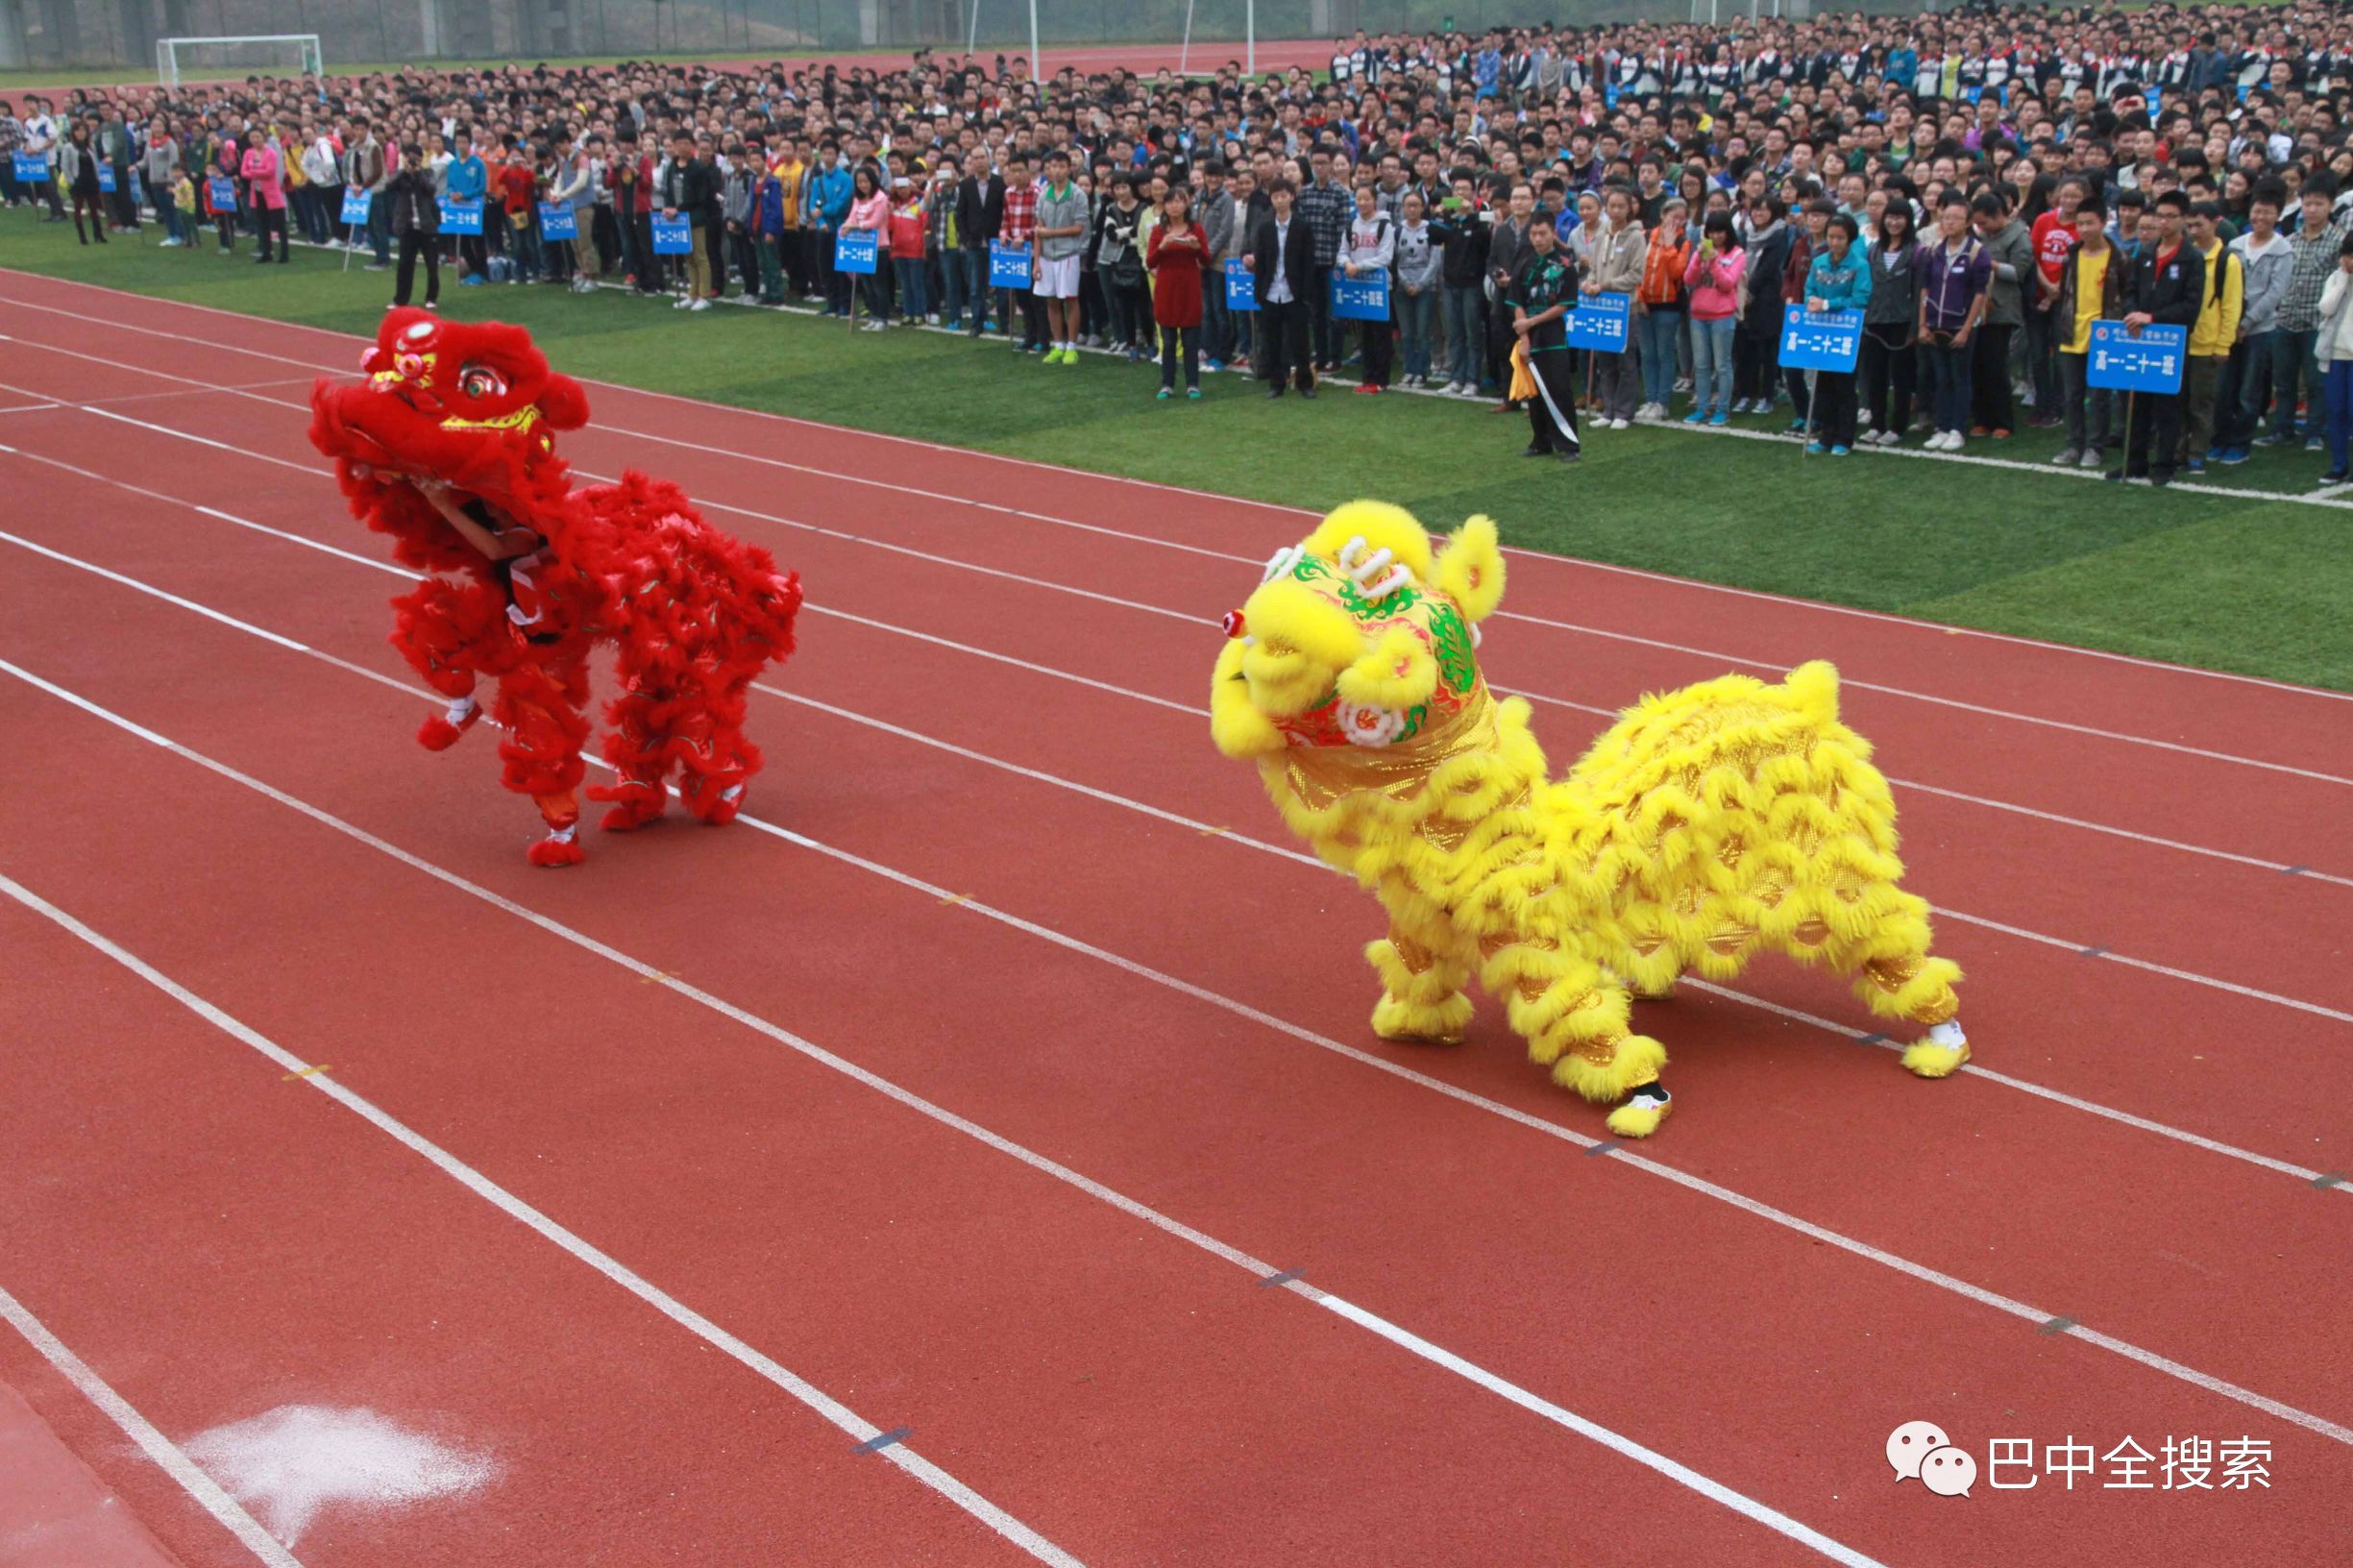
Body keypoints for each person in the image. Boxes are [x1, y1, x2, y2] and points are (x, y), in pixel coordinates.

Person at [2108, 191, 2206, 487]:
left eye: (2171, 216)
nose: (2164, 222)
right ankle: (2135, 461)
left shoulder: (2192, 258)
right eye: (2160, 216)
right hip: (2138, 338)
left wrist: (2153, 318)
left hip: (2169, 341)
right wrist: (2131, 314)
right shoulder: (2146, 252)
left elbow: (2191, 307)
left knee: (2168, 407)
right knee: (2136, 403)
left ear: (2183, 220)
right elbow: (2130, 291)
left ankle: (2164, 464)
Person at [2213, 189, 2290, 465]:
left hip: (2259, 331)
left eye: (2267, 212)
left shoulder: (2283, 250)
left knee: (2248, 391)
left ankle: (2239, 444)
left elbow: (2274, 294)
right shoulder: (2235, 244)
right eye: (2257, 211)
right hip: (2227, 328)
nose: (2261, 217)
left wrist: (2245, 323)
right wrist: (2230, 324)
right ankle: (2219, 438)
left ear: (2278, 216)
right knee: (2223, 389)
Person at [2267, 184, 2344, 450]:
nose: (2311, 209)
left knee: (2315, 383)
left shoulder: (2340, 241)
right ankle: (2282, 429)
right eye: (2307, 203)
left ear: (2331, 206)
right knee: (2284, 380)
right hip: (2286, 319)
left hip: (2318, 322)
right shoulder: (2289, 241)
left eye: (2318, 204)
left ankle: (2314, 431)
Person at [1915, 193, 1991, 452]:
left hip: (1962, 325)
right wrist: (1923, 324)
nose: (1950, 222)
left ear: (1968, 222)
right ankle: (1941, 426)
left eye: (1956, 218)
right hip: (1936, 324)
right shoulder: (1933, 251)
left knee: (1961, 378)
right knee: (1941, 378)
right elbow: (1925, 289)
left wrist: (1967, 329)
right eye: (1946, 217)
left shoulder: (1977, 253)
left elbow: (1980, 293)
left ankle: (1957, 428)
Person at [2051, 203, 2120, 472]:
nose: (2084, 229)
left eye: (2090, 223)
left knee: (2100, 394)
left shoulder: (2118, 257)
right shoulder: (2071, 256)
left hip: (2104, 335)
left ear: (2103, 222)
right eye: (2080, 224)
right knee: (2072, 394)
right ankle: (2074, 443)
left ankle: (2095, 446)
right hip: (2072, 332)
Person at [2177, 200, 2243, 475]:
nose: (2193, 231)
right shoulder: (2183, 254)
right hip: (2179, 342)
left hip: (2208, 344)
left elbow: (2231, 306)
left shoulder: (2228, 260)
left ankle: (2197, 452)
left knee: (2201, 403)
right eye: (2189, 225)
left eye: (2198, 225)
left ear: (2215, 223)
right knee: (2177, 401)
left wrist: (2223, 344)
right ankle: (2176, 449)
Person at [1509, 216, 1581, 460]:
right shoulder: (1524, 263)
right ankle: (1540, 441)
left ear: (1553, 233)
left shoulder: (1564, 264)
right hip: (1528, 334)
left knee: (1559, 388)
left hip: (1553, 334)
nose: (1538, 239)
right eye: (1534, 234)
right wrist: (1525, 335)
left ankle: (1569, 444)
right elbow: (1517, 301)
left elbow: (1564, 304)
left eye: (1542, 233)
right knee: (1534, 392)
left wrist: (1531, 322)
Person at [1802, 213, 1873, 455]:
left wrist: (1827, 304)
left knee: (1844, 386)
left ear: (1850, 239)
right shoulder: (1819, 262)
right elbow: (1809, 288)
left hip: (1846, 332)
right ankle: (1826, 436)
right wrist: (1812, 301)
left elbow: (1860, 299)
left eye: (1840, 237)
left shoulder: (1859, 265)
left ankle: (1844, 438)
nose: (1834, 242)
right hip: (1821, 330)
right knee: (1822, 386)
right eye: (1831, 236)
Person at [1966, 189, 2032, 438]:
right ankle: (1981, 418)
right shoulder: (1982, 236)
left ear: (1998, 214)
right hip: (1977, 308)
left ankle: (2003, 421)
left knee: (1995, 367)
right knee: (1976, 366)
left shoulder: (2019, 236)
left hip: (2001, 310)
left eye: (1983, 222)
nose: (1980, 227)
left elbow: (2018, 273)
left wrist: (1987, 263)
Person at [1584, 184, 1646, 429]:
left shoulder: (1635, 237)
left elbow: (1635, 275)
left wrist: (1605, 284)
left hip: (1625, 306)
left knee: (1626, 361)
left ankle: (1624, 412)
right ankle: (1608, 410)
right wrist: (1589, 283)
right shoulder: (1602, 235)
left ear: (1630, 207)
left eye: (1621, 206)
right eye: (1612, 205)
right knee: (1605, 362)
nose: (1616, 210)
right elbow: (1593, 269)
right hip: (1601, 306)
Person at [1859, 202, 1921, 445]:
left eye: (1900, 217)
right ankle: (1876, 423)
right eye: (1890, 217)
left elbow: (1919, 292)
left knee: (1901, 377)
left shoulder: (1916, 251)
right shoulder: (1874, 250)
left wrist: (1916, 326)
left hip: (1902, 322)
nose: (1894, 222)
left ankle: (1897, 427)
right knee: (1876, 376)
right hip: (1875, 321)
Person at [1250, 177, 1317, 398]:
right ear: (1271, 199)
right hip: (1271, 292)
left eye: (1283, 196)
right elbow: (1261, 263)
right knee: (1273, 341)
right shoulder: (1265, 228)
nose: (1280, 200)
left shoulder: (1303, 227)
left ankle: (1305, 383)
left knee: (1300, 342)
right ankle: (1276, 383)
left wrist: (1306, 294)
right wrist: (1258, 291)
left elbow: (1309, 263)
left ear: (1292, 197)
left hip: (1294, 293)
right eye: (1275, 196)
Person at [1146, 184, 1210, 399]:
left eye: (1179, 201)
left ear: (1186, 203)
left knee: (1191, 340)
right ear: (1164, 206)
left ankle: (1193, 384)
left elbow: (1206, 260)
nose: (1174, 206)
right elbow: (1150, 261)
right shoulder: (1158, 231)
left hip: (1189, 287)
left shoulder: (1196, 229)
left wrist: (1196, 248)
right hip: (1166, 288)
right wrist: (1162, 246)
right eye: (1170, 201)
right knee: (1169, 340)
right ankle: (1167, 383)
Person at [1681, 210, 1746, 426]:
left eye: (1720, 231)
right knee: (1700, 365)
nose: (1716, 236)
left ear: (1728, 232)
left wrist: (1714, 261)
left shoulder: (1737, 254)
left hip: (1723, 316)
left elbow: (1728, 284)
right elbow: (1688, 279)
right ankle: (1702, 406)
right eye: (1712, 232)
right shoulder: (1700, 251)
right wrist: (1699, 258)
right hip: (1698, 314)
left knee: (1722, 365)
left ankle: (1722, 409)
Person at [1432, 176, 1490, 397]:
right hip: (1451, 283)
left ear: (1474, 193)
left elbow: (1485, 240)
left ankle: (1472, 379)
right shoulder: (1449, 219)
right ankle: (1456, 378)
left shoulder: (1481, 215)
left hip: (1473, 283)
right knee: (1454, 333)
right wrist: (1439, 212)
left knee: (1472, 332)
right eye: (1457, 189)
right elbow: (1433, 235)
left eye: (1465, 189)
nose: (1461, 193)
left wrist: (1471, 215)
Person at [1633, 197, 1690, 418]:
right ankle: (1650, 399)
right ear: (1663, 215)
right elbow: (1635, 268)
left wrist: (1668, 246)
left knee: (1664, 353)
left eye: (1681, 218)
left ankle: (1662, 402)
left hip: (1669, 306)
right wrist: (1639, 297)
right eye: (1672, 216)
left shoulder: (1682, 242)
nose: (1676, 221)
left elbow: (1677, 272)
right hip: (1645, 304)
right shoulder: (1645, 236)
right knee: (1647, 354)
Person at [1033, 150, 1090, 365]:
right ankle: (1058, 345)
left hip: (1068, 255)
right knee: (1051, 300)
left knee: (1071, 300)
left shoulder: (1077, 194)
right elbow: (1039, 230)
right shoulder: (1044, 193)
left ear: (1068, 168)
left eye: (1060, 166)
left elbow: (1079, 228)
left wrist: (1051, 234)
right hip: (1047, 255)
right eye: (1052, 166)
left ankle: (1072, 347)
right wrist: (1036, 261)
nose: (1056, 170)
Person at [1340, 183, 1397, 393]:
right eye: (1359, 199)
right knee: (1364, 334)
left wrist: (1360, 266)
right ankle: (1367, 378)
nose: (1362, 203)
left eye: (1366, 198)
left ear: (1374, 200)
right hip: (1358, 286)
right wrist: (1347, 263)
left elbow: (1385, 257)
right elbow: (1342, 251)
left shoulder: (1385, 226)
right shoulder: (1351, 225)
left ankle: (1381, 380)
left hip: (1380, 287)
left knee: (1380, 335)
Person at [661, 129, 718, 312]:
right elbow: (668, 191)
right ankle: (692, 293)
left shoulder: (698, 168)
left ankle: (704, 295)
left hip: (695, 217)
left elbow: (701, 197)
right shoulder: (672, 167)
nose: (682, 147)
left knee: (700, 256)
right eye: (678, 144)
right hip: (678, 218)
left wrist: (679, 209)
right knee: (688, 257)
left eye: (686, 143)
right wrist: (669, 208)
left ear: (692, 146)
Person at [2313, 232, 2353, 484]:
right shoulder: (2336, 278)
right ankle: (2339, 464)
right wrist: (2343, 282)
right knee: (2336, 410)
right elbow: (2326, 308)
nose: (2349, 261)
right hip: (2335, 355)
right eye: (2347, 256)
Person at [1392, 191, 1442, 389]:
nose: (1412, 209)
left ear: (1423, 207)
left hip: (1426, 287)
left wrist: (1421, 284)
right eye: (1408, 205)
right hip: (1402, 287)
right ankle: (1409, 370)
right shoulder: (1396, 231)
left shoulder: (1432, 230)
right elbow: (1393, 259)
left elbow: (1435, 261)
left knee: (1422, 331)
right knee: (1407, 332)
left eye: (1416, 205)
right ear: (1403, 208)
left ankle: (1421, 372)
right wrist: (1404, 282)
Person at [384, 142, 442, 309]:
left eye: (414, 158)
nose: (410, 161)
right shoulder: (401, 175)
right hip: (407, 227)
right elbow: (389, 186)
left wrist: (417, 173)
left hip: (426, 226)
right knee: (404, 265)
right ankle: (400, 299)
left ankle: (431, 297)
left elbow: (430, 189)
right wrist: (405, 172)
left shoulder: (427, 173)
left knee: (432, 264)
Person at [843, 163, 892, 328]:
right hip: (861, 246)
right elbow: (852, 216)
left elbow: (875, 222)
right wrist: (845, 227)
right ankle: (873, 315)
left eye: (866, 181)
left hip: (878, 246)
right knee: (867, 285)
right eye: (859, 182)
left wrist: (855, 226)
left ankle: (882, 318)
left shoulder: (881, 198)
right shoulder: (858, 198)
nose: (863, 185)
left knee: (878, 285)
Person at [61, 122, 106, 245]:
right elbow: (65, 165)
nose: (81, 133)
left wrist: (98, 178)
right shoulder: (69, 147)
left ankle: (98, 234)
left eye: (83, 131)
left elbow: (95, 163)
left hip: (91, 180)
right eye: (78, 131)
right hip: (78, 180)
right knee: (78, 208)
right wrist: (71, 180)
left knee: (94, 208)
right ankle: (82, 236)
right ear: (73, 133)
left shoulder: (90, 146)